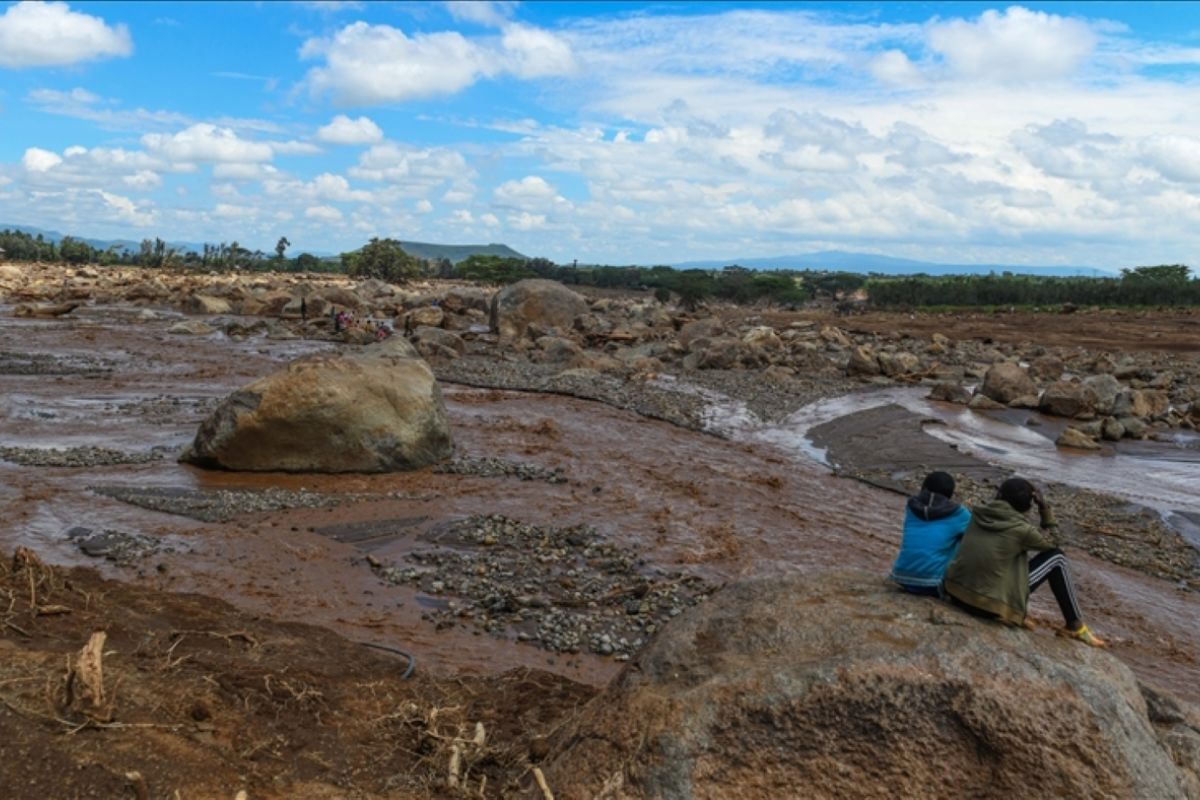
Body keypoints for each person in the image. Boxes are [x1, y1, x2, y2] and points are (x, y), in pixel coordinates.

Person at [943, 477, 1105, 647]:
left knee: (1002, 556)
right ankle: (1075, 625)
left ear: (999, 495)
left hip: (955, 594)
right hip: (985, 606)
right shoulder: (1022, 530)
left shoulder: (976, 514)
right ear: (1027, 506)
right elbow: (1056, 540)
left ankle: (1011, 609)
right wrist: (1044, 508)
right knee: (1057, 558)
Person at [889, 471, 971, 596]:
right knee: (963, 539)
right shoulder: (960, 514)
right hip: (931, 584)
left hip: (900, 575)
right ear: (950, 495)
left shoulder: (911, 506)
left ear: (923, 488)